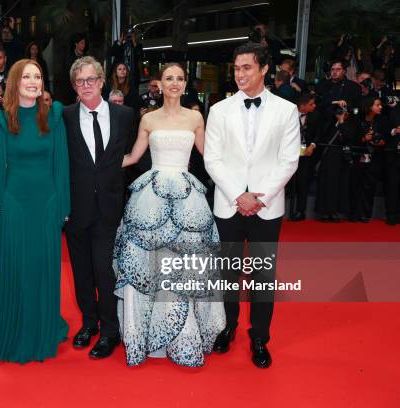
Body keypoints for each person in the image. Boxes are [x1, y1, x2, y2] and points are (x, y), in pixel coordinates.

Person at [116, 62, 224, 367]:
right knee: (150, 264)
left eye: (179, 78)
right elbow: (134, 157)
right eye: (168, 78)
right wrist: (97, 164)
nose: (174, 83)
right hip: (150, 197)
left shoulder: (195, 117)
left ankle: (183, 336)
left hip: (188, 199)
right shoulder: (148, 118)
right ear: (159, 84)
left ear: (185, 83)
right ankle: (148, 333)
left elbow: (209, 156)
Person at [204, 42, 300, 369]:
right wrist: (238, 195)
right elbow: (213, 160)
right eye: (236, 68)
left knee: (262, 275)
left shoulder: (286, 110)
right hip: (228, 204)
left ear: (263, 69)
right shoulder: (219, 110)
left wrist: (259, 196)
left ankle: (259, 337)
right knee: (227, 274)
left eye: (246, 67)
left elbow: (288, 161)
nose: (240, 74)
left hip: (266, 206)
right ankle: (227, 327)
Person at [0, 58, 70, 363]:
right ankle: (16, 332)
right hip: (15, 203)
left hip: (47, 203)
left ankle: (44, 327)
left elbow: (61, 163)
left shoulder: (53, 115)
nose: (33, 81)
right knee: (17, 267)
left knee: (43, 267)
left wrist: (63, 205)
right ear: (15, 82)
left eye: (37, 76)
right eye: (26, 76)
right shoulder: (1, 118)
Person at [63, 56, 133, 359]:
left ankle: (110, 330)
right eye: (79, 81)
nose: (86, 86)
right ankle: (89, 322)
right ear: (74, 87)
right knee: (81, 271)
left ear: (103, 81)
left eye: (91, 79)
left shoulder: (124, 115)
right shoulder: (64, 116)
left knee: (104, 269)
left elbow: (135, 158)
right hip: (75, 208)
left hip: (109, 205)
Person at [288, 93, 319, 221]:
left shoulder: (316, 116)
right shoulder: (289, 115)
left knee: (303, 183)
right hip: (289, 155)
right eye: (311, 104)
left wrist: (312, 145)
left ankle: (301, 211)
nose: (314, 106)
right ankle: (285, 209)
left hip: (306, 155)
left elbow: (319, 134)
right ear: (302, 106)